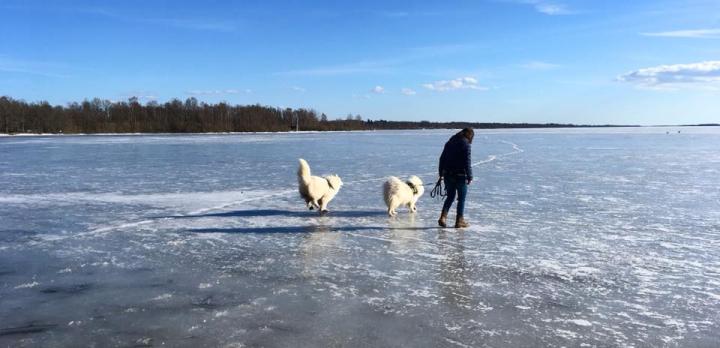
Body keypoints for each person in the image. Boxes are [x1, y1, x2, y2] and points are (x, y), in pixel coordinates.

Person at [437, 128, 474, 228]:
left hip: (448, 175)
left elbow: (442, 158)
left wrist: (441, 173)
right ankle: (459, 220)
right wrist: (470, 176)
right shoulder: (466, 144)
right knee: (461, 198)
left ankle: (443, 217)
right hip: (461, 176)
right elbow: (467, 161)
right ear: (469, 136)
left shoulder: (449, 143)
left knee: (450, 196)